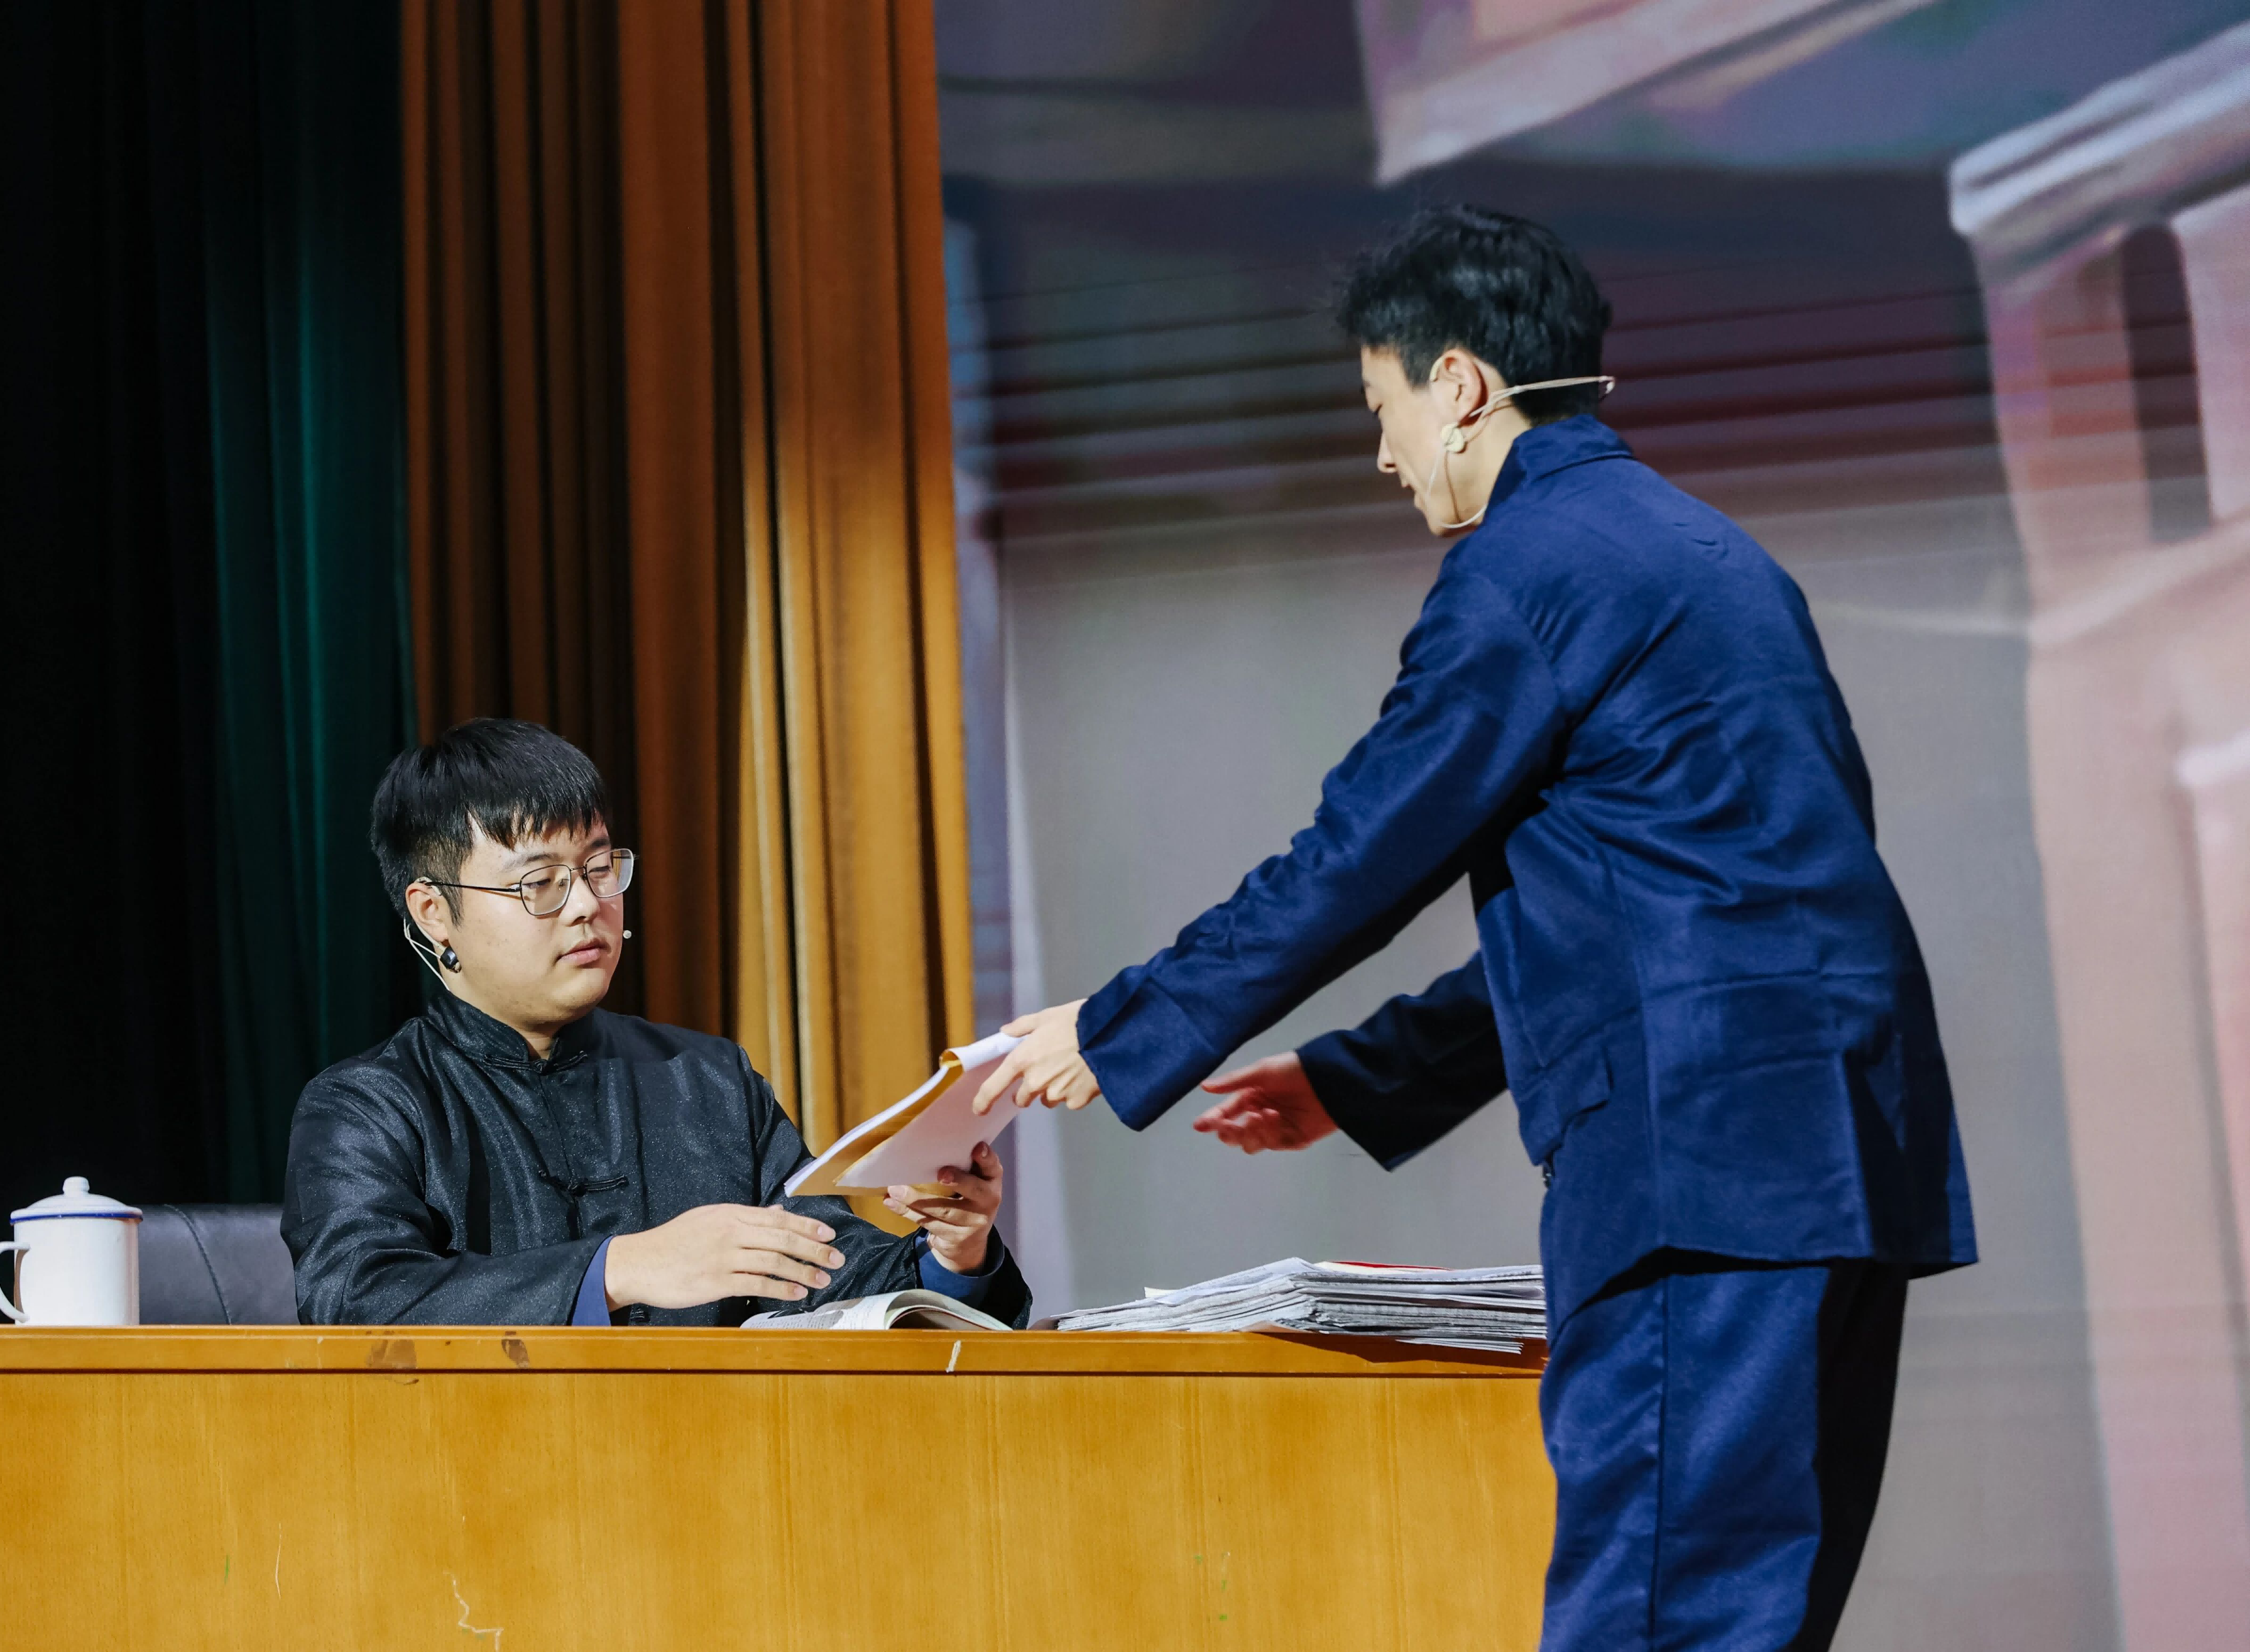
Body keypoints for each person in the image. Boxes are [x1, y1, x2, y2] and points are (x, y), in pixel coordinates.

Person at [971, 205, 1974, 1648]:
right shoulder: (1717, 557)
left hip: (1692, 1166)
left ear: (1458, 384)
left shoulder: (1527, 564)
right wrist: (1362, 1076)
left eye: (1379, 406)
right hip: (1839, 1156)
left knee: (1654, 1617)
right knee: (1751, 1619)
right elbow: (1676, 910)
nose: (1382, 455)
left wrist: (1124, 1025)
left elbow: (1363, 849)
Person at [283, 718, 1029, 1329]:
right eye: (540, 883)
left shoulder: (708, 1080)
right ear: (433, 912)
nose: (587, 905)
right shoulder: (367, 1106)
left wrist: (952, 1254)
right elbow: (357, 1300)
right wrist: (618, 1268)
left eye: (598, 868)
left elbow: (823, 1272)